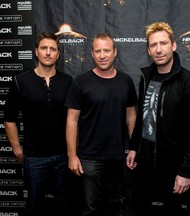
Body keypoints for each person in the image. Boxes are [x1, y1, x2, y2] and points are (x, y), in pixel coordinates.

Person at [126, 22, 190, 216]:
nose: (159, 49)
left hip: (174, 166)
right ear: (148, 49)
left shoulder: (189, 81)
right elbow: (144, 117)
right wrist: (134, 147)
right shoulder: (146, 77)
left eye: (163, 43)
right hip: (145, 162)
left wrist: (185, 171)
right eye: (154, 45)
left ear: (173, 45)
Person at [65, 33, 137, 216]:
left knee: (114, 205)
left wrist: (134, 148)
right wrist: (72, 156)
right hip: (89, 158)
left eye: (106, 50)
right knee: (90, 208)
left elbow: (131, 115)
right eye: (98, 51)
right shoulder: (81, 82)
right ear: (92, 53)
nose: (102, 55)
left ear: (115, 52)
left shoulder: (126, 81)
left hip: (117, 156)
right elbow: (72, 121)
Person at [4, 32, 73, 216]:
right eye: (44, 48)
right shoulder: (20, 81)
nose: (48, 52)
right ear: (36, 51)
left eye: (53, 49)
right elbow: (9, 118)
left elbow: (73, 120)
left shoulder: (68, 82)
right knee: (34, 206)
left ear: (58, 54)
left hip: (62, 156)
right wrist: (17, 149)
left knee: (63, 205)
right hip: (34, 157)